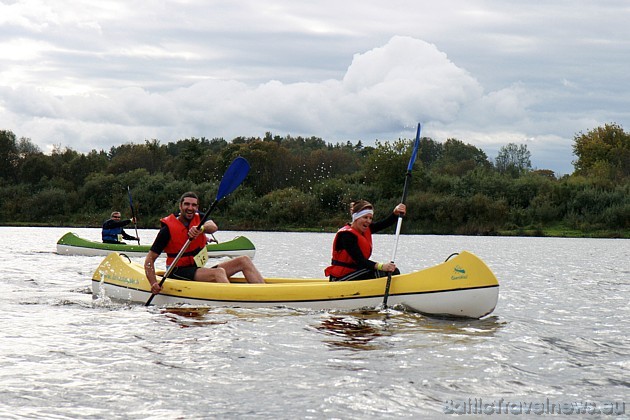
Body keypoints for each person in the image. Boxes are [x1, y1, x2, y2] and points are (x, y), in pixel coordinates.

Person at [144, 191, 265, 294]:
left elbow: (213, 227)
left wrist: (200, 229)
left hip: (196, 269)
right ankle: (234, 300)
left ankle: (265, 294)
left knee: (244, 260)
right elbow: (149, 259)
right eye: (186, 204)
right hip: (177, 271)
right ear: (180, 206)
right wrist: (153, 283)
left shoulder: (200, 218)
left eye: (194, 205)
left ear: (197, 207)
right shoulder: (167, 230)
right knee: (219, 273)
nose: (190, 208)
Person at [325, 200, 406, 282]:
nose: (369, 221)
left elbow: (384, 223)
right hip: (340, 278)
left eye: (370, 218)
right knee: (380, 272)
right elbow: (360, 261)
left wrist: (395, 213)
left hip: (356, 273)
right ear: (356, 218)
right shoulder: (346, 235)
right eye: (365, 217)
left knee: (394, 271)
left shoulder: (366, 230)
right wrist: (382, 266)